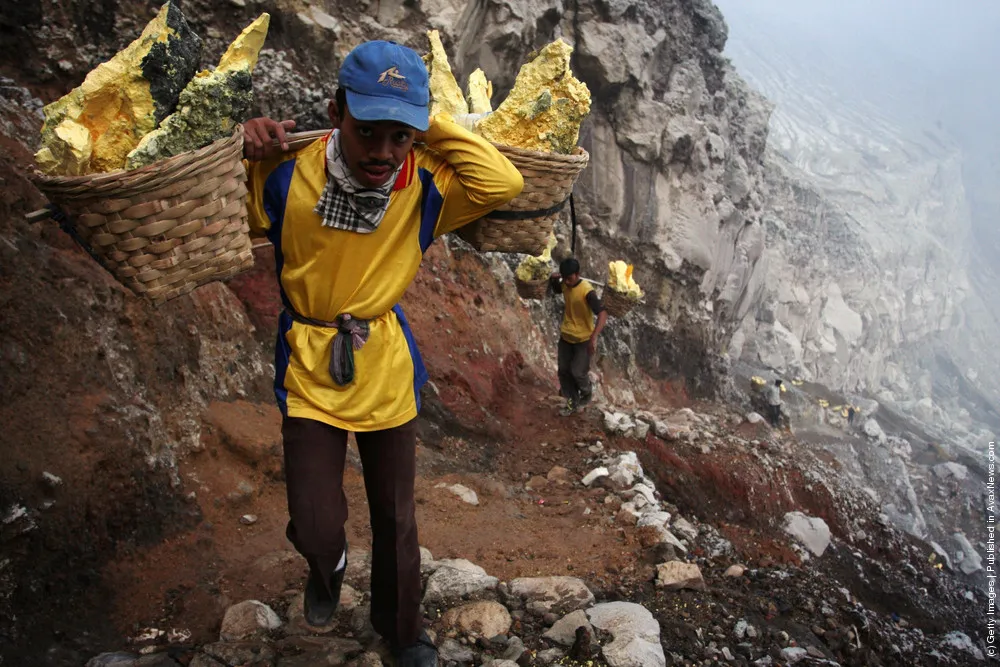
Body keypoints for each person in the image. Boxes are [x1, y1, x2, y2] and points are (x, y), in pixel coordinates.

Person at [241, 40, 523, 666]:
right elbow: (228, 207)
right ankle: (327, 564)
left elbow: (503, 180)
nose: (383, 152)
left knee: (395, 517)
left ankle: (402, 632)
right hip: (310, 361)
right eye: (369, 130)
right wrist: (250, 143)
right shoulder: (289, 171)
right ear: (337, 110)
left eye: (400, 136)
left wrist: (428, 122)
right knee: (314, 521)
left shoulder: (423, 184)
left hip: (384, 361)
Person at [550, 258, 608, 415]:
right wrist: (555, 280)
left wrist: (593, 337)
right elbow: (557, 289)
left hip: (583, 340)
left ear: (577, 274)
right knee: (563, 371)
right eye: (565, 278)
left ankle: (587, 390)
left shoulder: (587, 291)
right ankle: (572, 402)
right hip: (566, 337)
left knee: (577, 372)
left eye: (569, 278)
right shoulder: (565, 283)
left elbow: (602, 314)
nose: (567, 282)